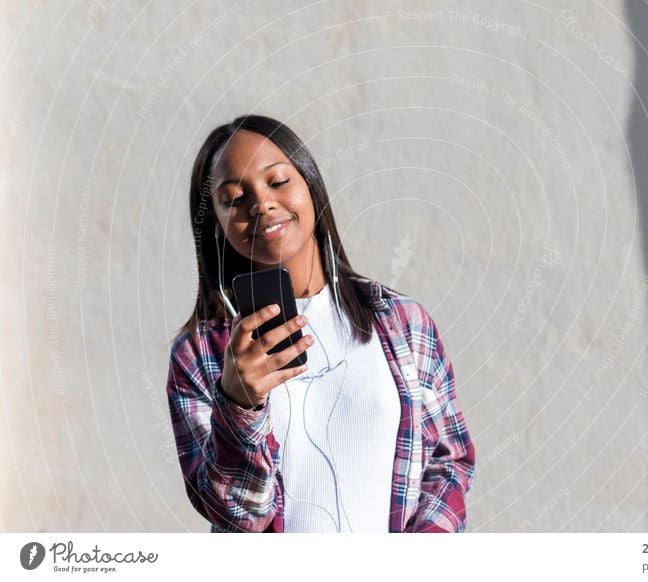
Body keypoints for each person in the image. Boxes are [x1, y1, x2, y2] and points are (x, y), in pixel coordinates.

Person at [166, 114, 475, 533]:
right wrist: (239, 405)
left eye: (277, 182)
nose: (261, 204)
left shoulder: (405, 323)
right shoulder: (200, 354)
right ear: (218, 226)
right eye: (234, 198)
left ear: (310, 185)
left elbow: (447, 463)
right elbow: (238, 516)